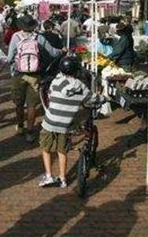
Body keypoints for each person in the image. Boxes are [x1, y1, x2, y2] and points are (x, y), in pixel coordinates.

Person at [39, 56, 103, 188]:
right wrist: (103, 98)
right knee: (62, 151)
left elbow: (50, 95)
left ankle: (49, 176)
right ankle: (63, 178)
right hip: (66, 124)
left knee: (46, 149)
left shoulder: (56, 81)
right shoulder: (81, 87)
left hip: (50, 122)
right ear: (76, 71)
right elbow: (92, 99)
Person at [8, 15, 63, 143]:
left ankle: (20, 127)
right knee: (32, 105)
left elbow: (10, 57)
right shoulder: (39, 37)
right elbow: (53, 52)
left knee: (19, 103)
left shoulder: (16, 37)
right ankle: (30, 131)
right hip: (35, 75)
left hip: (19, 74)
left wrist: (13, 68)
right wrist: (62, 51)